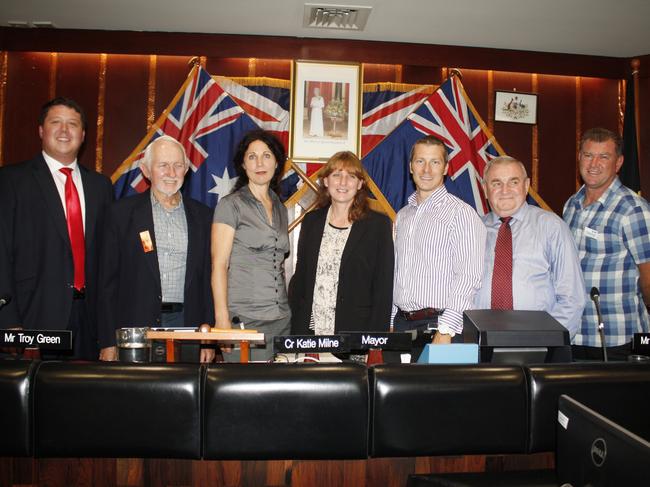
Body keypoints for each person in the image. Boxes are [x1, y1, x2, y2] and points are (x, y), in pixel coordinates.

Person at [0, 97, 113, 360]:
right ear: (41, 130)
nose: (64, 130)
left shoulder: (101, 186)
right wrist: (7, 320)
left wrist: (109, 329)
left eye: (72, 124)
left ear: (83, 135)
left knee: (87, 399)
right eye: (56, 123)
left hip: (90, 320)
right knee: (37, 400)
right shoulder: (10, 180)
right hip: (32, 317)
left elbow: (107, 258)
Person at [97, 136, 214, 363]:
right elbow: (106, 283)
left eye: (178, 165)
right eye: (163, 165)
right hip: (134, 328)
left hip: (188, 327)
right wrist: (107, 341)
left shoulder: (204, 217)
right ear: (146, 171)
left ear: (186, 169)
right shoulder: (120, 215)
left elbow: (208, 280)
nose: (171, 172)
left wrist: (207, 338)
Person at [392, 135, 486, 359]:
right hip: (402, 327)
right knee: (399, 393)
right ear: (410, 167)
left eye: (435, 162)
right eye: (420, 161)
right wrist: (390, 322)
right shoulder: (402, 215)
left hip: (445, 328)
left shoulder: (461, 213)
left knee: (443, 394)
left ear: (445, 168)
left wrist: (446, 330)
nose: (426, 169)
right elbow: (396, 273)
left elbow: (469, 276)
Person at [564, 128, 650, 360]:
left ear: (619, 162)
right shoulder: (571, 204)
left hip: (617, 336)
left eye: (604, 157)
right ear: (579, 157)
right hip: (574, 332)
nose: (594, 163)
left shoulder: (633, 209)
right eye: (588, 155)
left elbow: (649, 276)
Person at [475, 156, 585, 338]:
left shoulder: (551, 227)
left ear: (526, 186)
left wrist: (546, 341)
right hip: (480, 343)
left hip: (539, 346)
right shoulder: (473, 230)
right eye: (496, 183)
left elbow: (572, 298)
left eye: (513, 182)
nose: (505, 190)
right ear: (485, 189)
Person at [289, 151, 394, 336]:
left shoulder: (379, 225)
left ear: (360, 184)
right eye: (336, 175)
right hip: (310, 331)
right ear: (326, 181)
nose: (343, 183)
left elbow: (383, 288)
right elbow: (300, 279)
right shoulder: (311, 221)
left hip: (356, 335)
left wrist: (375, 341)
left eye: (351, 176)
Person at [211, 130, 290, 361]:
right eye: (252, 156)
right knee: (243, 392)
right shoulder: (230, 205)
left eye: (266, 155)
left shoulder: (280, 208)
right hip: (244, 319)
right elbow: (219, 265)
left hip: (281, 319)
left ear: (277, 162)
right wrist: (221, 319)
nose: (259, 163)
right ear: (243, 165)